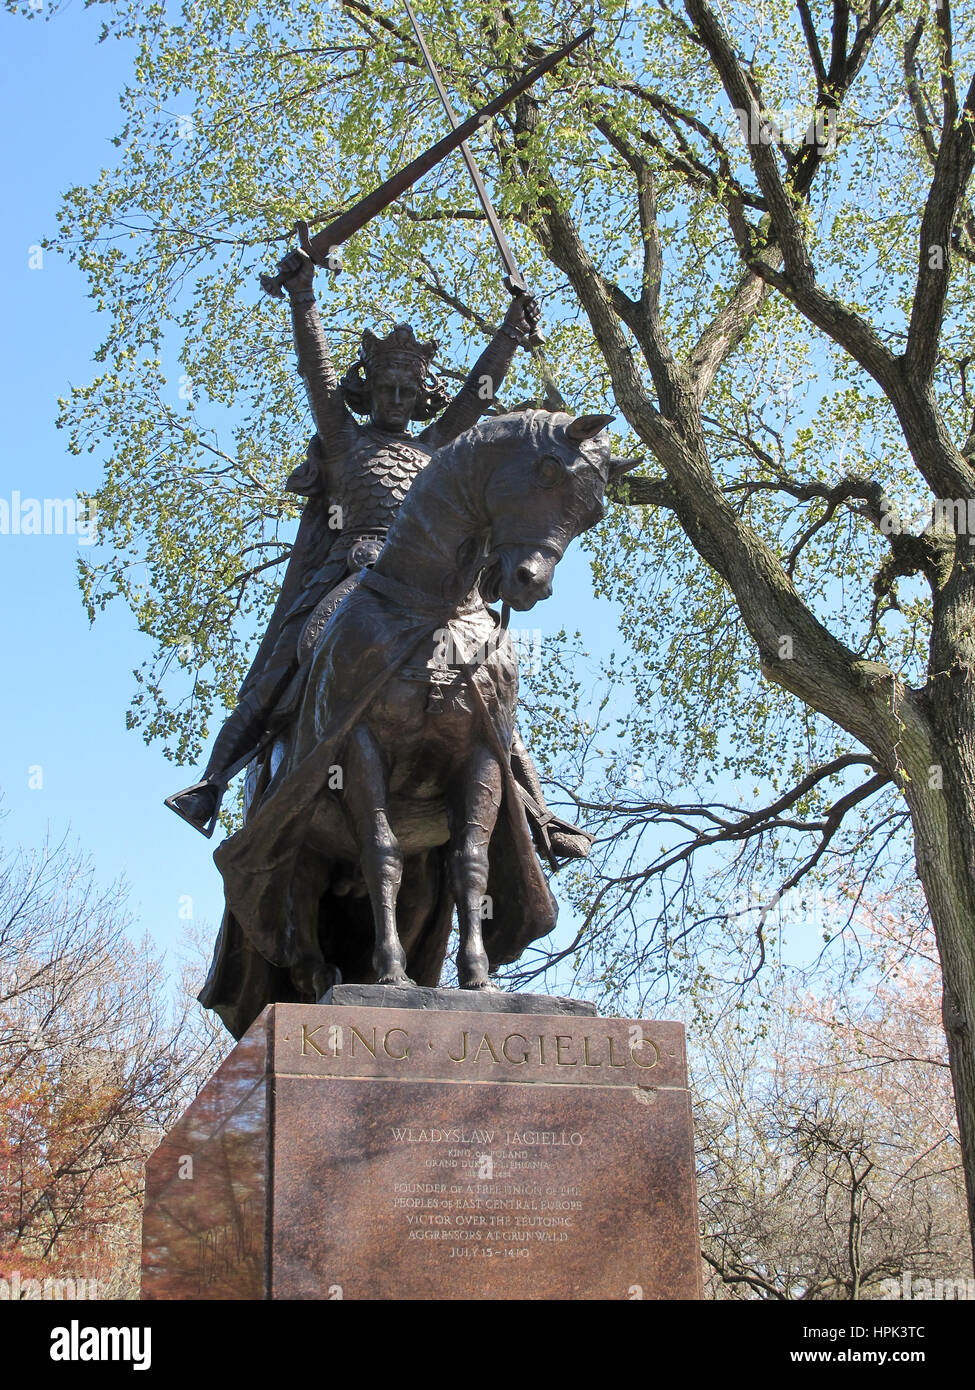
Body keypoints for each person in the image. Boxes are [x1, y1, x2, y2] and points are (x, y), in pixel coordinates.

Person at [166, 249, 591, 862]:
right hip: (352, 573)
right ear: (368, 391)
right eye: (385, 387)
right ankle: (213, 783)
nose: (395, 397)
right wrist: (303, 298)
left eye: (407, 389)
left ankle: (537, 811)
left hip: (436, 581)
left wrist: (509, 329)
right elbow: (315, 372)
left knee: (489, 674)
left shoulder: (438, 444)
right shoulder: (344, 438)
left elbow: (477, 393)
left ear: (421, 396)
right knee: (286, 657)